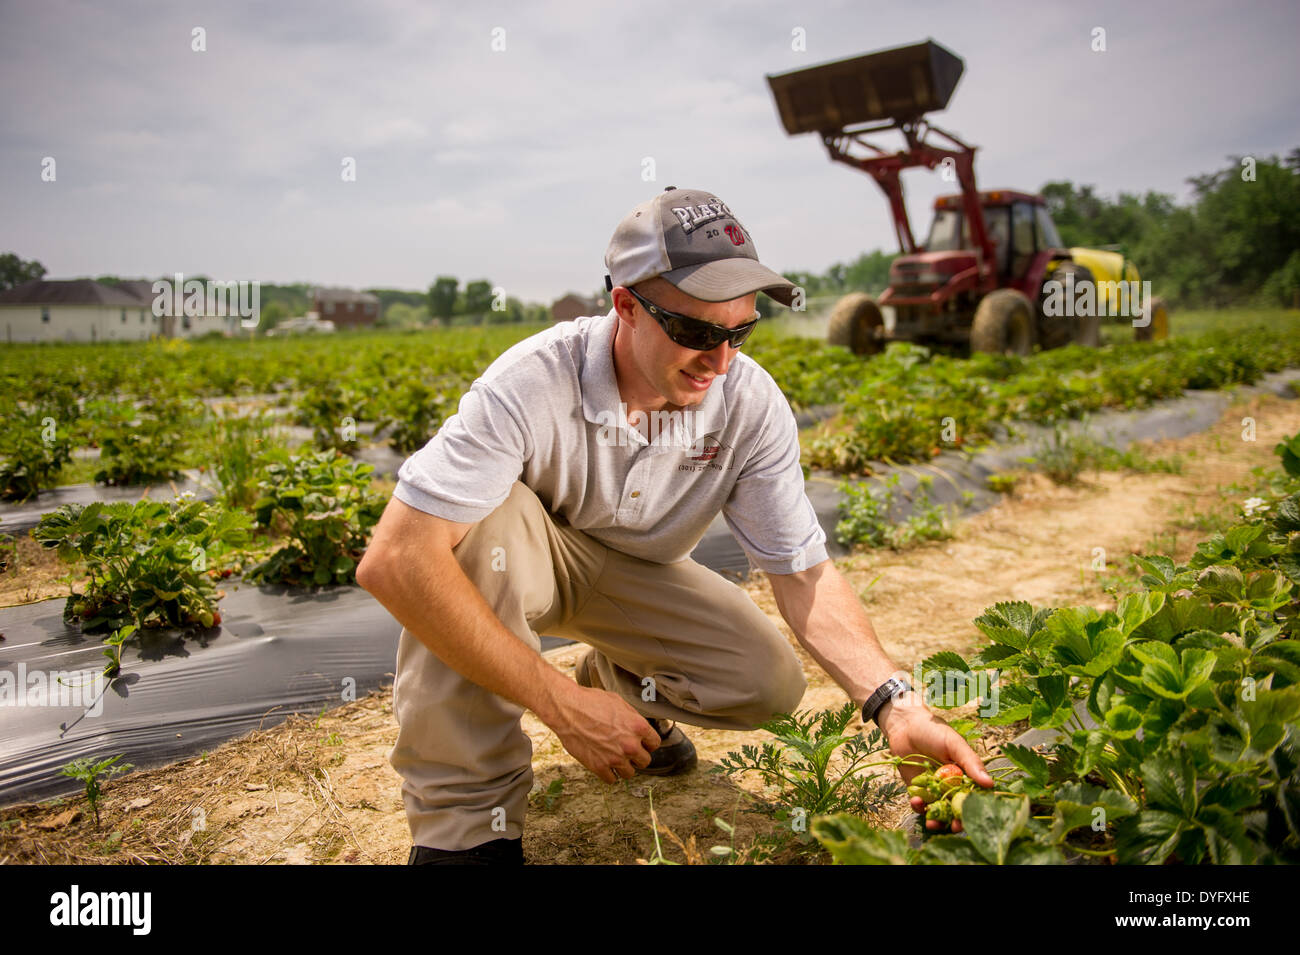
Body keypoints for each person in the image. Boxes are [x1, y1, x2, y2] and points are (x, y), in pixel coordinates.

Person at [357, 186, 992, 866]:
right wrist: (559, 702)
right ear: (625, 305)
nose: (719, 361)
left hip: (629, 575)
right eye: (694, 332)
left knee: (765, 680)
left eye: (739, 332)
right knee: (473, 535)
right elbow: (396, 559)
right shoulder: (534, 379)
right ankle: (464, 829)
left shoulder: (748, 403)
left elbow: (804, 571)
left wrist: (896, 703)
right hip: (520, 556)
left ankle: (618, 682)